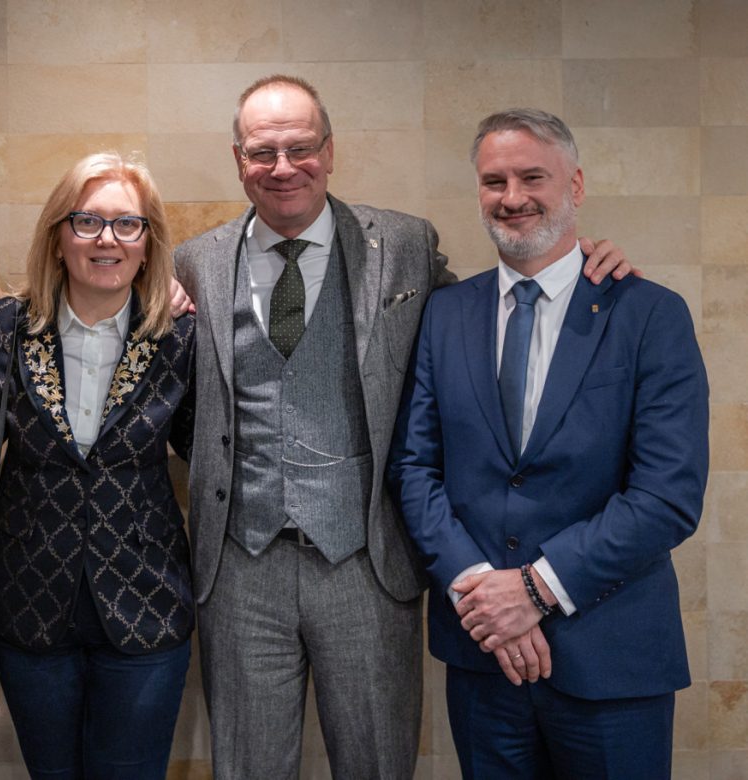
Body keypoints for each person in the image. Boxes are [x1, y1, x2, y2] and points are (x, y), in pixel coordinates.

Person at [173, 75, 633, 779]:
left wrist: (580, 261)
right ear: (239, 160)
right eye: (263, 151)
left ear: (330, 151)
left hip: (368, 562)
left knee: (379, 764)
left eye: (301, 147)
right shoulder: (195, 262)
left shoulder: (405, 246)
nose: (283, 167)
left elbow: (489, 314)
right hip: (240, 567)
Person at [389, 109, 708, 778]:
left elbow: (668, 495)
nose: (513, 197)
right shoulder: (445, 314)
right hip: (483, 658)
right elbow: (415, 468)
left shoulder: (650, 314)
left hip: (611, 657)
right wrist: (481, 589)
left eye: (533, 177)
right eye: (494, 181)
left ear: (576, 185)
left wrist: (535, 589)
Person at [0, 152, 197, 780]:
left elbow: (208, 452)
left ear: (148, 244)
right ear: (58, 237)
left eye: (128, 224)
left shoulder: (180, 337)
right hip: (30, 602)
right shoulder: (5, 329)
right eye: (87, 221)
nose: (107, 239)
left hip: (146, 602)